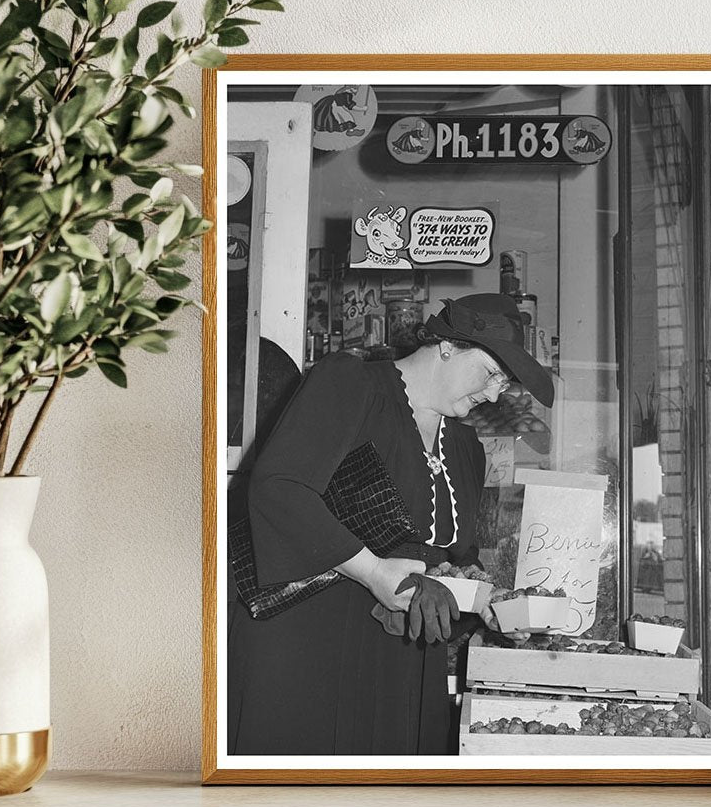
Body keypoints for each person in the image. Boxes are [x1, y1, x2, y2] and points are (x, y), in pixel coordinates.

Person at [227, 293, 554, 755]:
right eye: (491, 373)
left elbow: (455, 559)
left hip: (400, 659)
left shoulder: (467, 448)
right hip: (308, 647)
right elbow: (280, 488)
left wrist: (487, 602)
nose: (495, 394)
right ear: (448, 345)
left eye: (505, 382)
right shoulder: (351, 385)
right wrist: (374, 571)